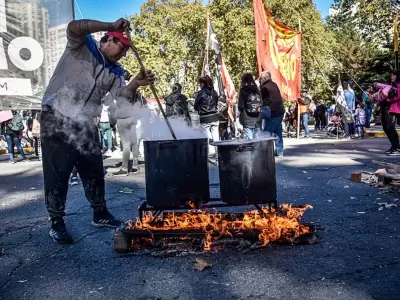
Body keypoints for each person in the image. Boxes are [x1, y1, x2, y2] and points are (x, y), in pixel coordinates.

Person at [40, 18, 155, 244]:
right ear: (107, 39)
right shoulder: (83, 45)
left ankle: (100, 213)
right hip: (56, 115)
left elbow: (120, 98)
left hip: (86, 122)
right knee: (57, 173)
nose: (122, 53)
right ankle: (56, 222)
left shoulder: (115, 71)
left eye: (125, 51)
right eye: (121, 47)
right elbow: (73, 26)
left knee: (94, 168)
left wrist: (135, 84)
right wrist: (110, 24)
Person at [374, 71, 400, 155]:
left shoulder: (398, 86)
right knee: (385, 128)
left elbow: (397, 96)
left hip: (392, 109)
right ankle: (393, 146)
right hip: (384, 108)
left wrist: (388, 99)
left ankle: (397, 148)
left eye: (394, 75)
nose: (392, 76)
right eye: (392, 75)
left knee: (390, 128)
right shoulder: (390, 85)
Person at [259, 71, 285, 156]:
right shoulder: (274, 84)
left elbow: (263, 100)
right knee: (278, 132)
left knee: (267, 132)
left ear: (265, 78)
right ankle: (279, 151)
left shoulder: (265, 87)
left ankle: (266, 152)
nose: (260, 80)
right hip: (279, 111)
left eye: (261, 78)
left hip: (272, 112)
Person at [194, 75, 219, 156]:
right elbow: (216, 102)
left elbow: (195, 106)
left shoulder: (200, 93)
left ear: (202, 83)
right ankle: (218, 152)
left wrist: (198, 109)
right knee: (216, 137)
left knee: (207, 137)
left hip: (204, 118)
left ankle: (210, 154)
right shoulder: (214, 92)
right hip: (215, 116)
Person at [238, 73, 262, 139]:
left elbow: (240, 106)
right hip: (257, 118)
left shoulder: (243, 90)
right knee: (257, 141)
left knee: (249, 141)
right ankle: (257, 149)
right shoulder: (257, 90)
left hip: (247, 119)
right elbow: (261, 103)